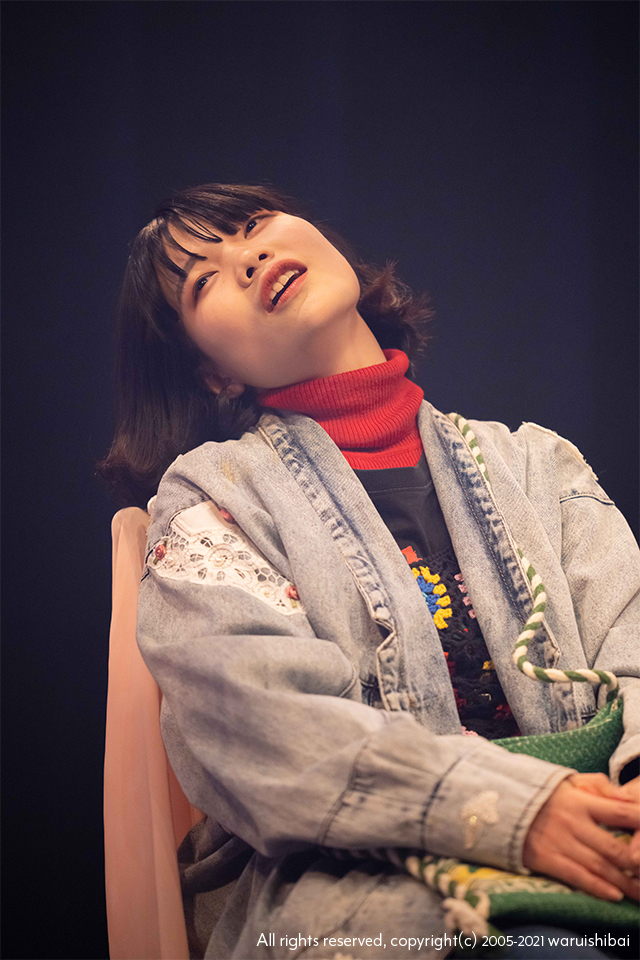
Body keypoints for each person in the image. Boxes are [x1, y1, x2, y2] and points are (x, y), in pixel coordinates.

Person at [100, 183, 639, 959]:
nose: (248, 256)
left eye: (253, 224)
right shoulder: (212, 500)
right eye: (204, 279)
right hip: (371, 906)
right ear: (211, 373)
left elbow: (632, 649)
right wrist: (513, 812)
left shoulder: (538, 463)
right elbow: (273, 733)